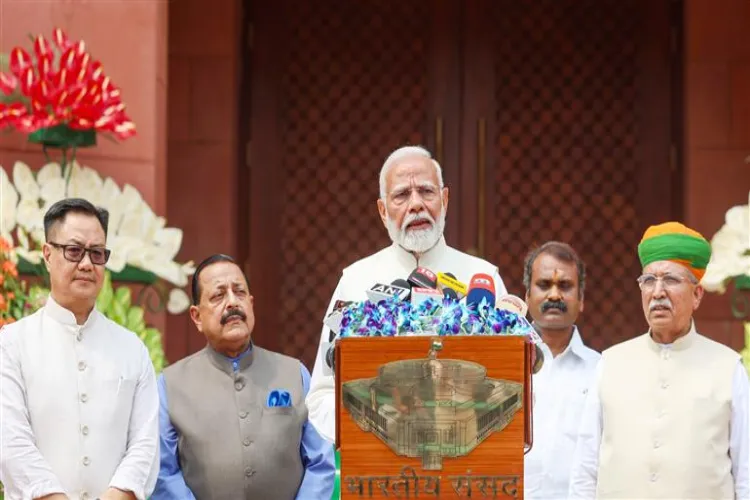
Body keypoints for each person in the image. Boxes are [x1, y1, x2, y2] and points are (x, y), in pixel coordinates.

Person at [306, 145, 509, 443]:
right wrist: (371, 425)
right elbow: (322, 394)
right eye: (401, 195)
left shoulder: (482, 279)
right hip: (380, 469)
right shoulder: (355, 281)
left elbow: (513, 386)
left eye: (426, 191)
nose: (416, 204)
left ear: (445, 199)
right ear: (382, 210)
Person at [568, 221, 750, 499]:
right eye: (649, 280)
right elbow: (585, 468)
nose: (657, 292)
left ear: (697, 294)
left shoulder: (728, 368)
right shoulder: (610, 363)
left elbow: (746, 472)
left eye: (671, 280)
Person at [0, 198, 159, 500]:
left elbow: (145, 444)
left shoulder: (132, 349)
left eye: (97, 253)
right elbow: (10, 442)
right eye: (73, 251)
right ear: (47, 254)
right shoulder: (12, 344)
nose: (86, 264)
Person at [152, 254, 335, 500]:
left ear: (251, 303)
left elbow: (320, 463)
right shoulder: (170, 385)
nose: (232, 303)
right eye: (218, 295)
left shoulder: (294, 373)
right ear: (197, 317)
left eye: (239, 292)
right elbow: (163, 472)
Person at [521, 242, 600, 499]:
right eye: (544, 285)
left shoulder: (601, 370)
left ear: (582, 300)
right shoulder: (507, 363)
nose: (554, 295)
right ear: (526, 296)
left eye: (565, 286)